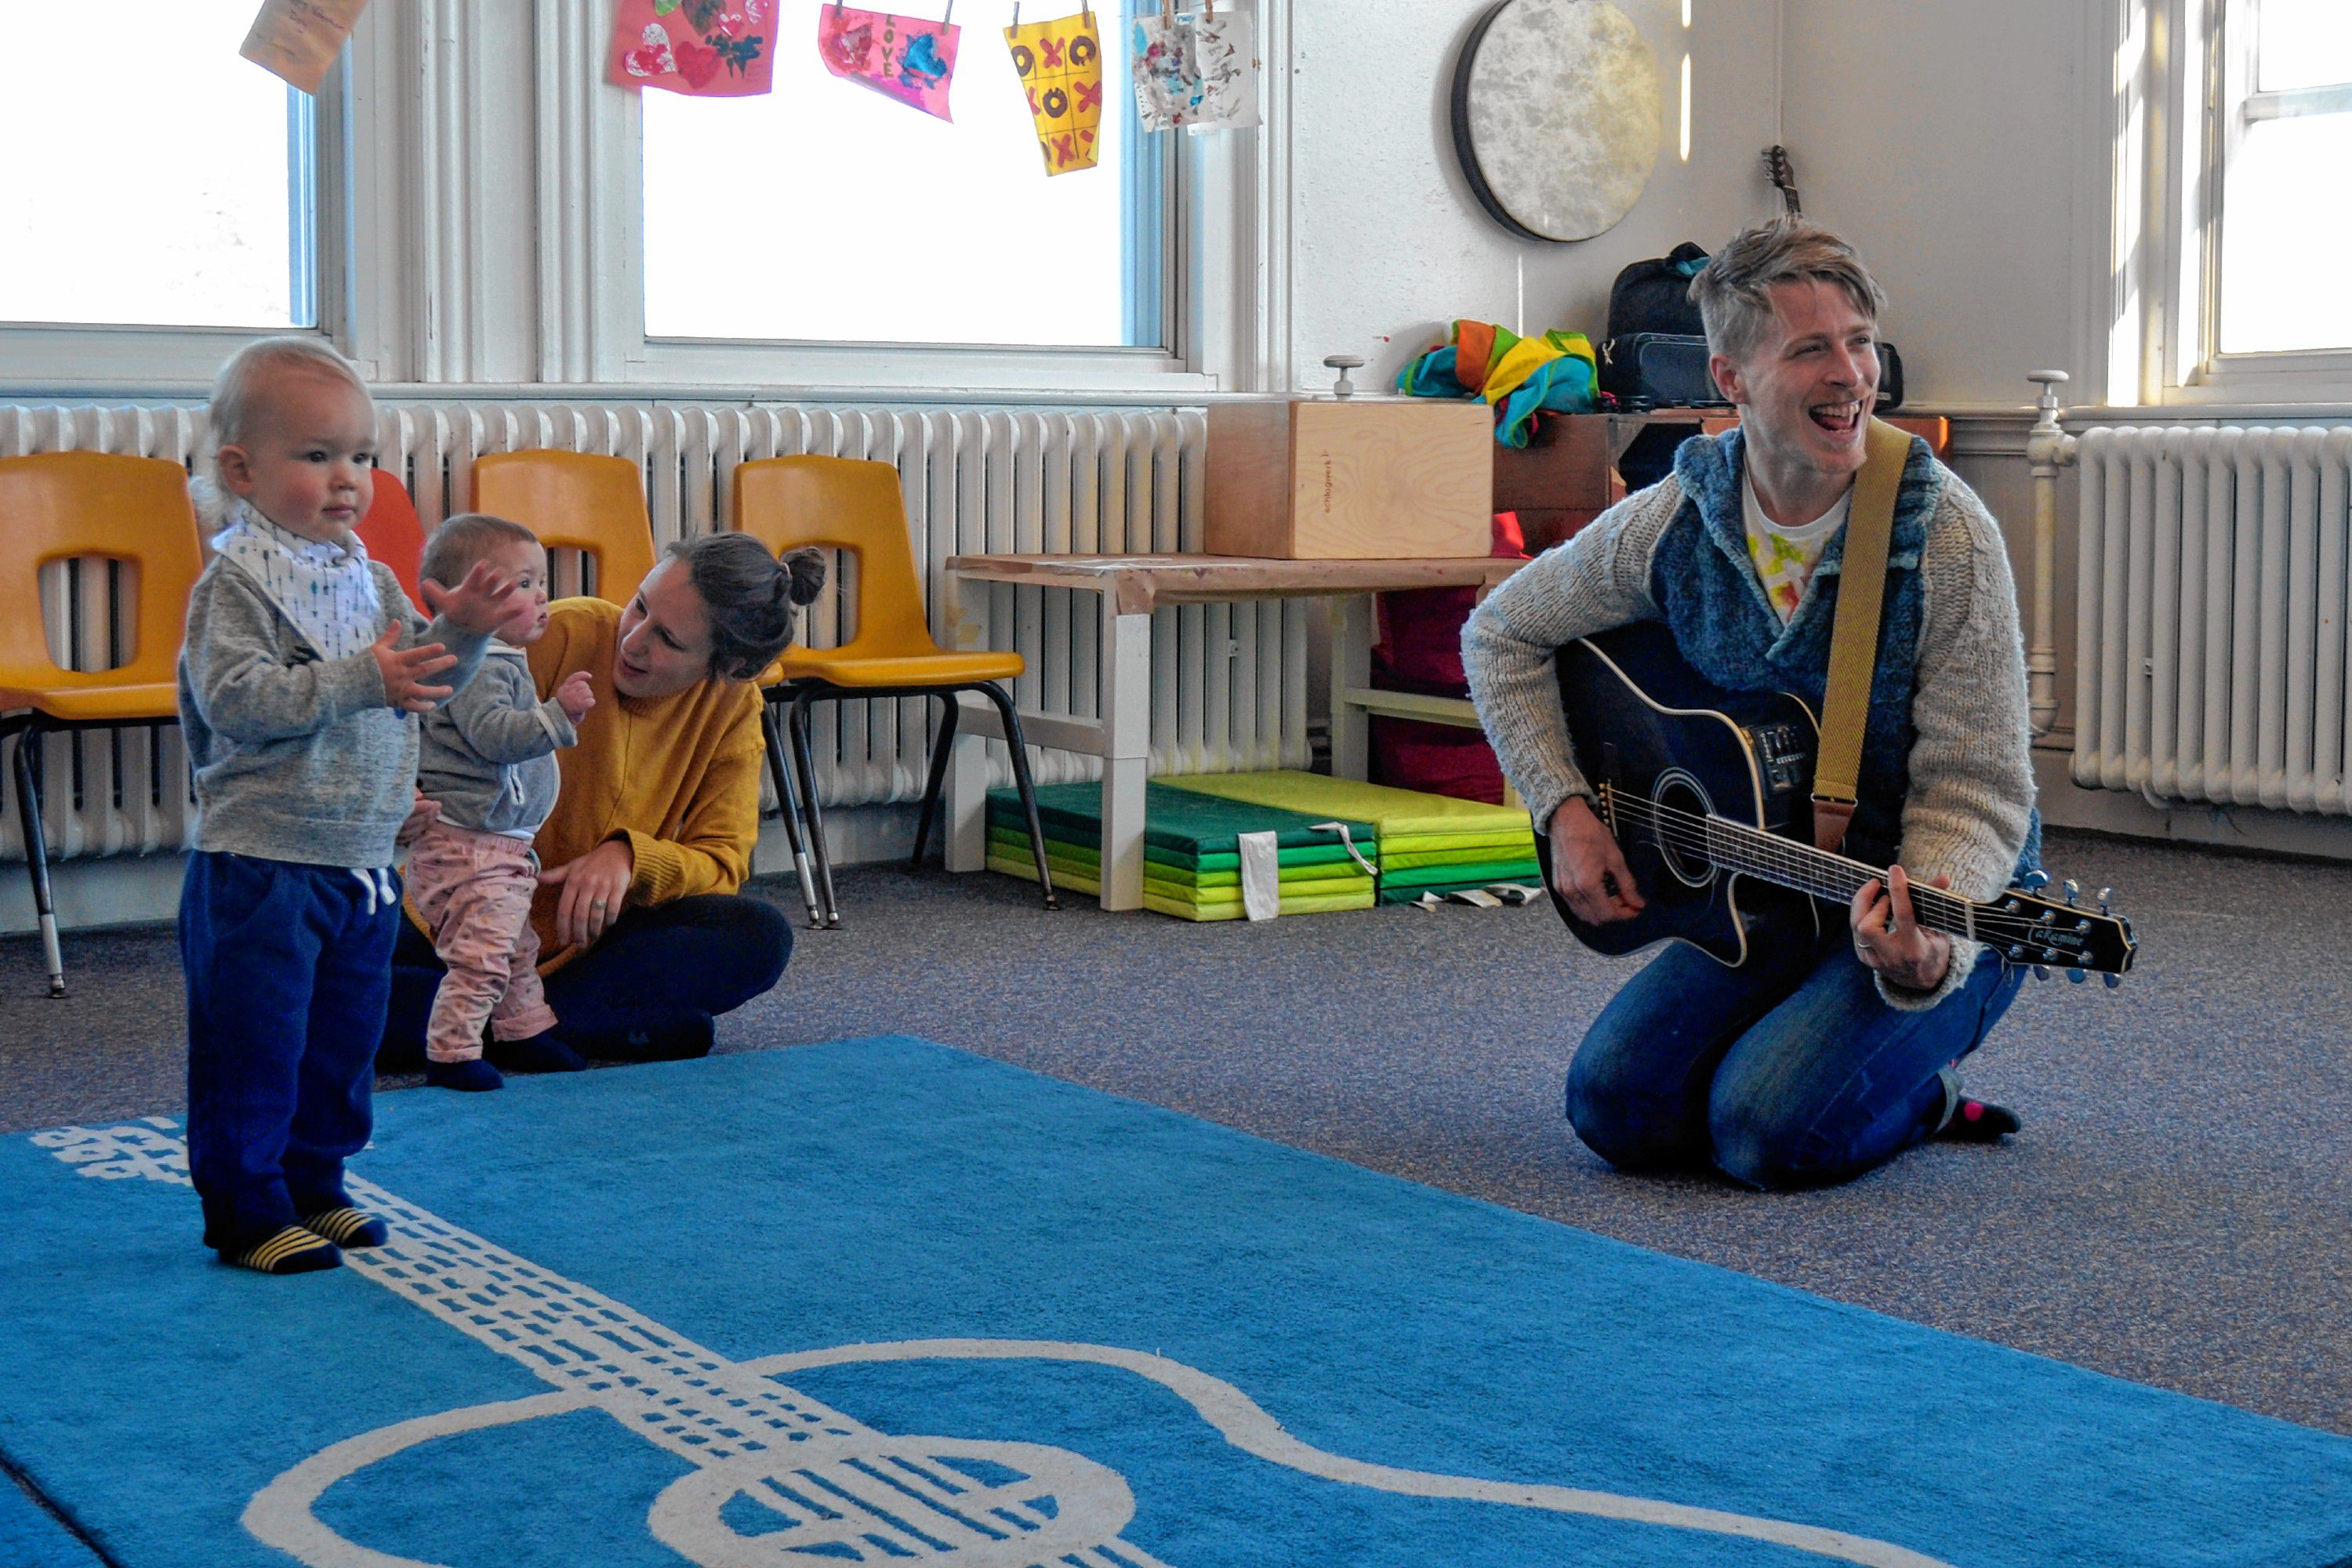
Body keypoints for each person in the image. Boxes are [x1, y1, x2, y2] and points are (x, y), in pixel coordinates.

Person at [1462, 217, 2040, 1191]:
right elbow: (1501, 632)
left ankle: (1917, 1090)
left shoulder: (1944, 532)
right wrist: (1561, 806)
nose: (1850, 374)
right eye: (1809, 348)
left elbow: (1977, 786)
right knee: (1616, 1110)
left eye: (1859, 342)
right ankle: (1831, 1052)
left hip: (1933, 885)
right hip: (1760, 879)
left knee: (1766, 1134)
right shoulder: (1679, 516)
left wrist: (1930, 938)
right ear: (1729, 377)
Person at [177, 337, 526, 1273]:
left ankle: (315, 1183)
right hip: (264, 860)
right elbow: (239, 701)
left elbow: (425, 682)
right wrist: (357, 678)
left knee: (340, 1041)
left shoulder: (365, 577)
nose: (349, 479)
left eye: (362, 456)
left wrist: (466, 633)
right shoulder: (237, 584)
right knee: (255, 1043)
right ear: (242, 470)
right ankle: (246, 1206)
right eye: (318, 455)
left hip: (364, 859)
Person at [382, 532, 826, 1070]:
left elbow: (722, 862)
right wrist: (404, 792)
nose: (633, 640)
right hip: (455, 915)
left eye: (668, 639)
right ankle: (567, 1027)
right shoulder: (555, 633)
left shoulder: (733, 709)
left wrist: (631, 859)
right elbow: (421, 719)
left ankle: (487, 1024)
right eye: (639, 605)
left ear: (729, 668)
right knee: (326, 955)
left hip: (588, 945)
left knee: (760, 936)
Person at [404, 515, 597, 1092]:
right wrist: (559, 716)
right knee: (482, 955)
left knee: (515, 947)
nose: (542, 598)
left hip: (494, 842)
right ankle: (453, 1052)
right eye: (522, 586)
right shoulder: (480, 664)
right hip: (468, 844)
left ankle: (522, 1031)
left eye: (541, 583)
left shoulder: (498, 657)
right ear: (466, 602)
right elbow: (493, 735)